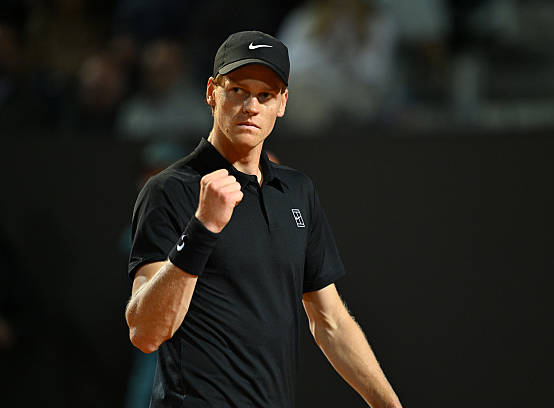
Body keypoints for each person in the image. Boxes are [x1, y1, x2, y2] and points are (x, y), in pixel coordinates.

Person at [125, 30, 402, 407]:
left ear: (282, 102)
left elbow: (331, 321)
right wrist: (202, 228)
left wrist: (389, 405)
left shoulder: (297, 191)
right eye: (238, 90)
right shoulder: (168, 191)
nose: (250, 106)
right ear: (212, 92)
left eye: (265, 95)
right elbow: (145, 331)